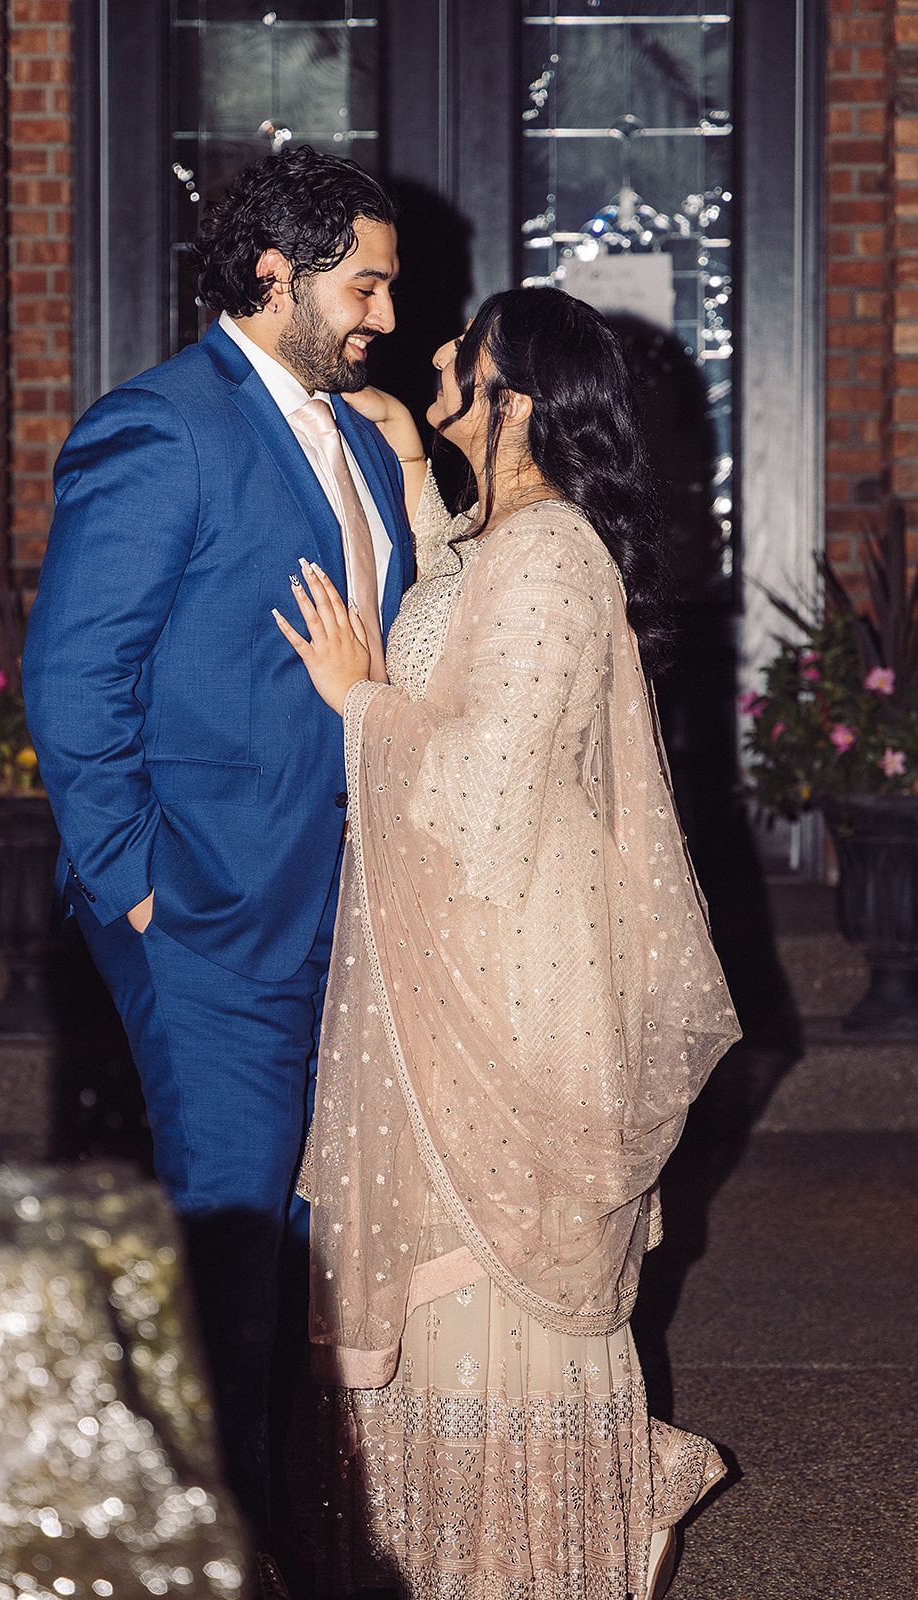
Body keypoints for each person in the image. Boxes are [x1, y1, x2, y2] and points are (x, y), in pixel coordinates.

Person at [274, 287, 742, 1600]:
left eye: (462, 356)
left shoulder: (553, 558)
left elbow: (482, 786)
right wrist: (425, 476)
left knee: (493, 1297)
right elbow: (460, 616)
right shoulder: (506, 542)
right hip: (465, 976)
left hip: (510, 1004)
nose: (435, 356)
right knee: (452, 1301)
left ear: (517, 398)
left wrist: (357, 699)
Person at [20, 145, 414, 1560]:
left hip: (356, 921)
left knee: (313, 1280)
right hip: (209, 926)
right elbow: (74, 682)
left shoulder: (365, 442)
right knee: (231, 1271)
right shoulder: (161, 428)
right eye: (362, 284)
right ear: (275, 272)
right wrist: (139, 888)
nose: (381, 312)